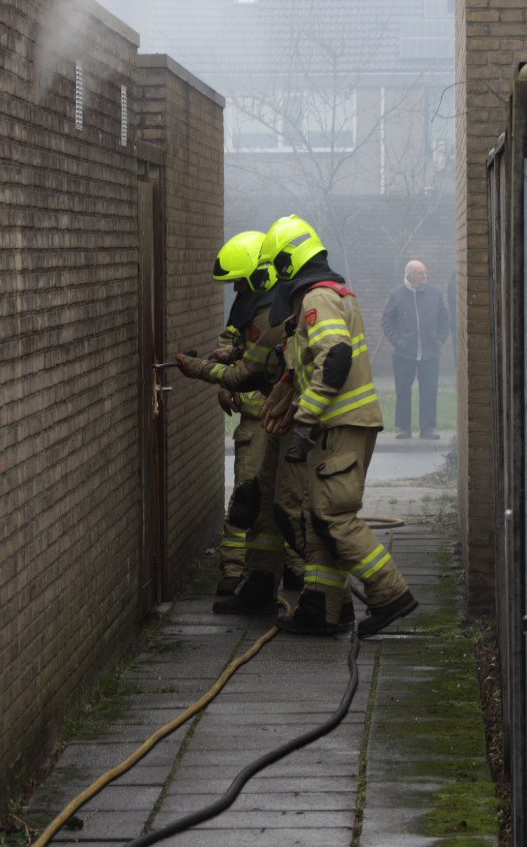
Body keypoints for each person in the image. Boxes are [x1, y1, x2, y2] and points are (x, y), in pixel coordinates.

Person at [255, 215, 417, 637]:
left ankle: (390, 592)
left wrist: (305, 419)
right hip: (344, 423)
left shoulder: (317, 298)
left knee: (334, 515)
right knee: (318, 516)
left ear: (287, 263)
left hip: (340, 422)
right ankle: (323, 608)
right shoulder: (331, 293)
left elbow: (336, 355)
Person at [172, 232, 298, 613]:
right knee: (255, 500)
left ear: (260, 276)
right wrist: (228, 356)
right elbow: (242, 346)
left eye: (240, 282)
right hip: (262, 416)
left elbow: (247, 372)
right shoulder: (258, 309)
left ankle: (300, 576)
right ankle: (247, 576)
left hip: (277, 416)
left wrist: (202, 369)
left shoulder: (272, 315)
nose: (236, 291)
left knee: (277, 501)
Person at [381, 260, 450, 439]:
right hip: (403, 354)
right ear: (409, 275)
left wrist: (438, 341)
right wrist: (399, 342)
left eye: (425, 273)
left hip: (430, 353)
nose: (425, 276)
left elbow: (445, 319)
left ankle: (427, 429)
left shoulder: (435, 294)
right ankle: (404, 428)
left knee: (429, 390)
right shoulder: (396, 295)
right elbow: (387, 322)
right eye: (421, 273)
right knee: (403, 390)